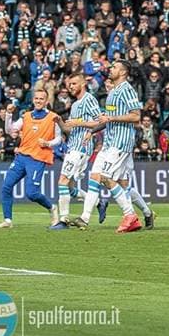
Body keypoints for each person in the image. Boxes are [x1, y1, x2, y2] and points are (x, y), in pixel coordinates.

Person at [73, 60, 145, 233]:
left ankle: (130, 216)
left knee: (107, 178)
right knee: (95, 177)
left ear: (123, 72)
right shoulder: (113, 92)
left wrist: (111, 119)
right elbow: (107, 119)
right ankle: (85, 217)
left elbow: (136, 116)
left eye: (114, 67)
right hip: (108, 143)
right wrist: (93, 130)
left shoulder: (127, 90)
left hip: (120, 143)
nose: (110, 69)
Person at [0, 89, 62, 228]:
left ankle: (52, 208)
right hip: (22, 157)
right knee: (6, 186)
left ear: (46, 101)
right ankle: (7, 220)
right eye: (36, 98)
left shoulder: (53, 117)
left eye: (41, 99)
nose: (38, 101)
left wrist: (48, 143)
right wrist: (8, 114)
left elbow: (59, 138)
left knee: (32, 193)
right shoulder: (26, 116)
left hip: (37, 158)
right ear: (33, 100)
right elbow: (10, 130)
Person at [48, 73, 108, 230]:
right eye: (69, 84)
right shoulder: (74, 105)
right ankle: (98, 202)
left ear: (83, 84)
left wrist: (79, 122)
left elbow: (101, 121)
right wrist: (60, 122)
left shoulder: (89, 99)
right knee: (70, 189)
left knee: (62, 181)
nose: (70, 86)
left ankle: (64, 220)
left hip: (81, 147)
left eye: (74, 83)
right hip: (72, 145)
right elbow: (70, 129)